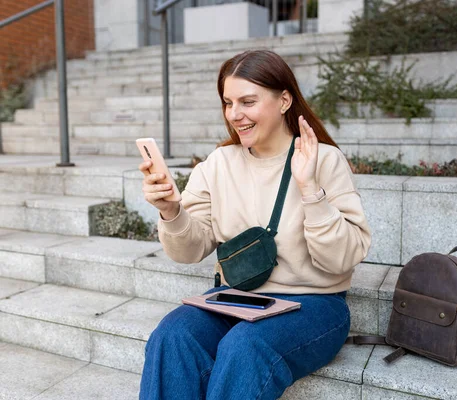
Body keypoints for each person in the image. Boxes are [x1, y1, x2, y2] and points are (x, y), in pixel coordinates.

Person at [138, 50, 371, 400]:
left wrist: (310, 190)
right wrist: (172, 212)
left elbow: (343, 258)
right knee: (172, 336)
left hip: (315, 304)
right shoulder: (218, 164)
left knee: (245, 346)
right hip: (237, 298)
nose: (235, 114)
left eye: (248, 101)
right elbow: (189, 250)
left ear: (284, 100)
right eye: (228, 102)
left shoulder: (323, 159)